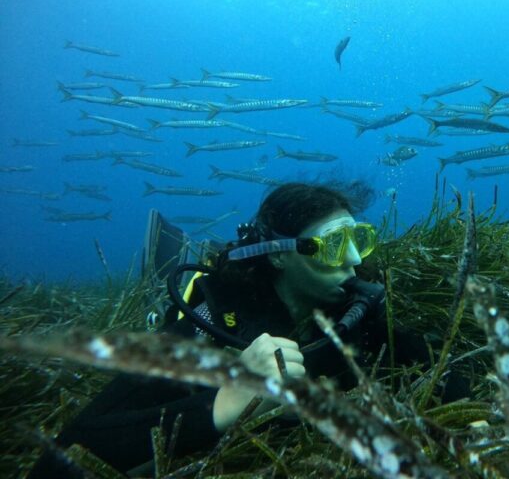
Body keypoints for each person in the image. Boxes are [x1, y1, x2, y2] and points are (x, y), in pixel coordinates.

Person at [28, 182, 465, 478]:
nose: (353, 260)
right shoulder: (215, 323)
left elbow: (432, 365)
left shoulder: (353, 307)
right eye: (334, 245)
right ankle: (167, 259)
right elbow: (68, 452)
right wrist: (224, 400)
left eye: (360, 239)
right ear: (278, 256)